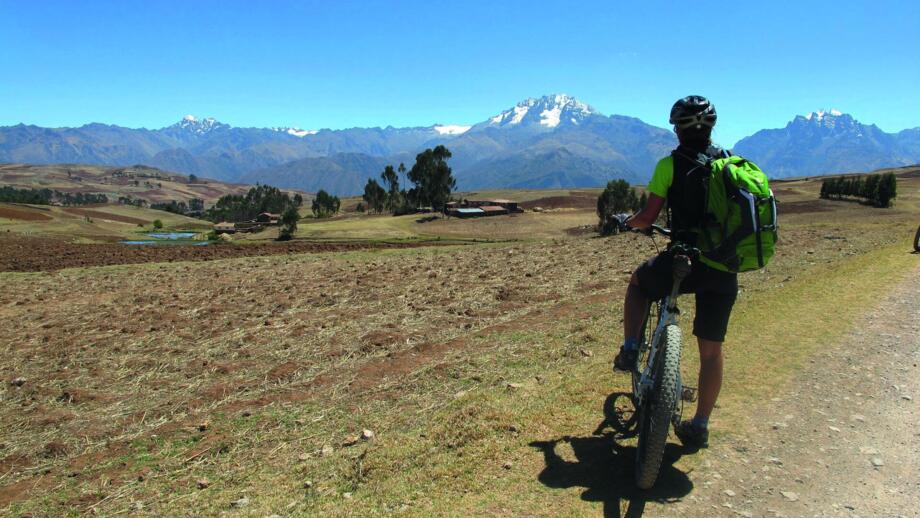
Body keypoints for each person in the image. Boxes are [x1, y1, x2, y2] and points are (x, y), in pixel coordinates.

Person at [612, 95, 738, 449]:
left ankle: (631, 347)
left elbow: (647, 218)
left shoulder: (670, 165)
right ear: (711, 127)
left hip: (685, 262)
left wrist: (627, 222)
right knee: (711, 353)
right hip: (724, 267)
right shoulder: (731, 164)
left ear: (677, 129)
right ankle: (700, 424)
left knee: (639, 283)